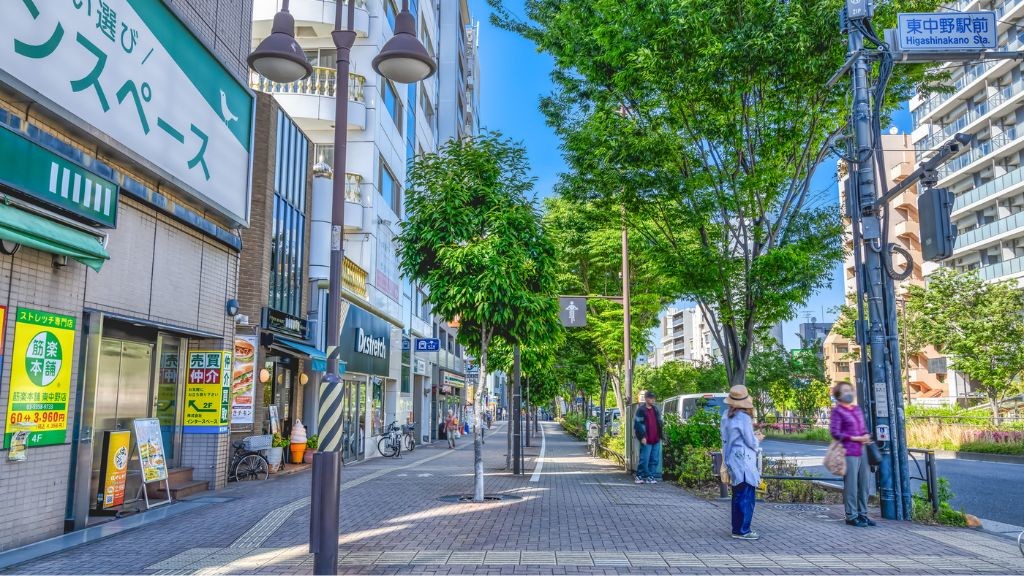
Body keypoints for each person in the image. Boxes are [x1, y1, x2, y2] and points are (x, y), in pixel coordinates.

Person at [830, 383, 875, 527]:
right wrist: (855, 438)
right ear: (839, 395)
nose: (849, 393)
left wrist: (866, 436)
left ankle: (863, 514)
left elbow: (863, 428)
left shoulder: (856, 410)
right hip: (848, 450)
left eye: (850, 390)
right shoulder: (837, 411)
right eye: (845, 391)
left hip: (863, 450)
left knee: (864, 483)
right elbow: (836, 433)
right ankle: (851, 515)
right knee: (851, 484)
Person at [720, 384, 762, 540]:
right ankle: (743, 530)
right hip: (745, 459)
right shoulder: (744, 417)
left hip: (732, 457)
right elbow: (750, 441)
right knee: (747, 495)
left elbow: (725, 438)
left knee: (737, 494)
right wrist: (757, 439)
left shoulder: (726, 415)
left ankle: (736, 528)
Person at [632, 390, 664, 484]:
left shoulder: (655, 409)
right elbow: (637, 424)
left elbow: (659, 422)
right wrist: (642, 437)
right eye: (650, 398)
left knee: (654, 459)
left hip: (656, 438)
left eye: (653, 398)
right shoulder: (641, 410)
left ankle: (651, 476)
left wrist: (661, 435)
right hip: (646, 438)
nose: (652, 400)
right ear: (646, 399)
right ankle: (639, 476)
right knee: (644, 459)